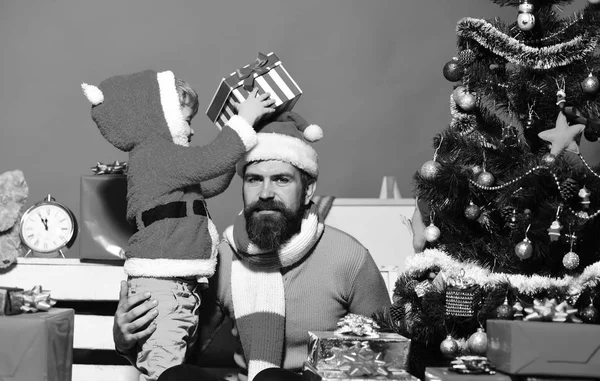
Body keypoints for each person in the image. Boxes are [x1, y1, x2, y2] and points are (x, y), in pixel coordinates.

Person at [113, 111, 392, 381]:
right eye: (254, 180)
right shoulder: (224, 256)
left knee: (272, 379)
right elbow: (183, 351)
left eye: (281, 180)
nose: (266, 193)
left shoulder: (347, 257)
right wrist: (126, 339)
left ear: (307, 190)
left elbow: (389, 355)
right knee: (176, 377)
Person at [82, 70, 274, 381]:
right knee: (165, 371)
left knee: (171, 364)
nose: (192, 131)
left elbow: (209, 178)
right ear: (160, 119)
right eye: (185, 120)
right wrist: (244, 120)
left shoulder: (162, 163)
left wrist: (235, 146)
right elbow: (212, 159)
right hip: (165, 284)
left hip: (176, 283)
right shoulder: (155, 154)